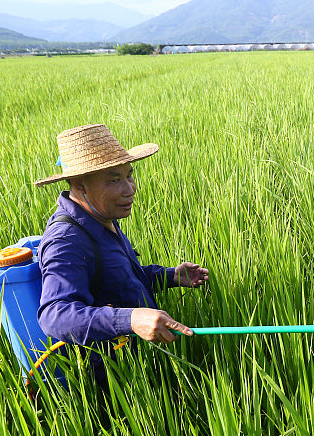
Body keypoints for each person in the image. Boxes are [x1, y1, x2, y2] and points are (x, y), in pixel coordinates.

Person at [33, 124, 208, 385]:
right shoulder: (66, 240)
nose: (130, 189)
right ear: (80, 184)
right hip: (110, 382)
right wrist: (130, 319)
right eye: (114, 180)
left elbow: (119, 279)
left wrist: (170, 276)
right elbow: (54, 315)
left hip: (137, 365)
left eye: (129, 176)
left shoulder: (102, 217)